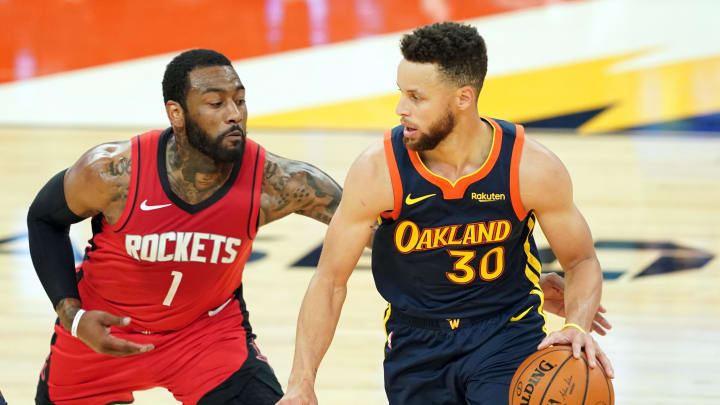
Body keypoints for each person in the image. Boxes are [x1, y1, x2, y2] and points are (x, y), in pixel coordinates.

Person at [26, 48, 607, 405]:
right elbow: (42, 220)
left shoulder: (280, 181)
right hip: (98, 339)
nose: (234, 113)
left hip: (204, 339)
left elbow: (388, 233)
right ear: (175, 114)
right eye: (214, 102)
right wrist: (71, 314)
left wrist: (503, 276)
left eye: (239, 99)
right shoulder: (113, 172)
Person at [278, 22, 615, 405]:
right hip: (415, 343)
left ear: (463, 98)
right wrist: (301, 383)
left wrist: (576, 325)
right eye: (401, 94)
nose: (401, 109)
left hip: (506, 335)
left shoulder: (530, 167)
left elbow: (582, 260)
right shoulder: (378, 171)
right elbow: (329, 280)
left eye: (416, 97)